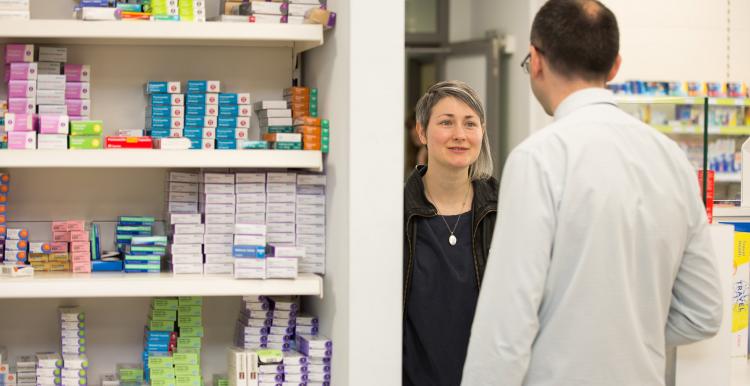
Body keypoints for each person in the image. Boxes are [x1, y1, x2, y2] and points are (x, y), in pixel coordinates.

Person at [461, 1, 723, 385]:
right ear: (615, 66)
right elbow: (704, 312)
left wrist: (571, 342)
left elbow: (505, 330)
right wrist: (628, 335)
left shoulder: (539, 158)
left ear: (535, 60)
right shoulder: (673, 161)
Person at [403, 80, 499, 386]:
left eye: (470, 123)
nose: (459, 134)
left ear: (481, 132)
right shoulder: (396, 212)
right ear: (421, 132)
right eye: (446, 122)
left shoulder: (504, 209)